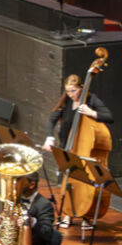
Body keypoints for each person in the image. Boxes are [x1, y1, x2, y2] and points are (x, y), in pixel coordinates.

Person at [45, 73, 114, 229]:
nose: (71, 95)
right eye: (68, 92)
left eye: (73, 91)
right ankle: (68, 214)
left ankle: (86, 216)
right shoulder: (67, 102)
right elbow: (51, 120)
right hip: (69, 148)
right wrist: (49, 137)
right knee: (69, 182)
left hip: (85, 151)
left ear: (81, 88)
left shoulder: (91, 100)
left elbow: (109, 117)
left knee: (86, 182)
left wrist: (91, 112)